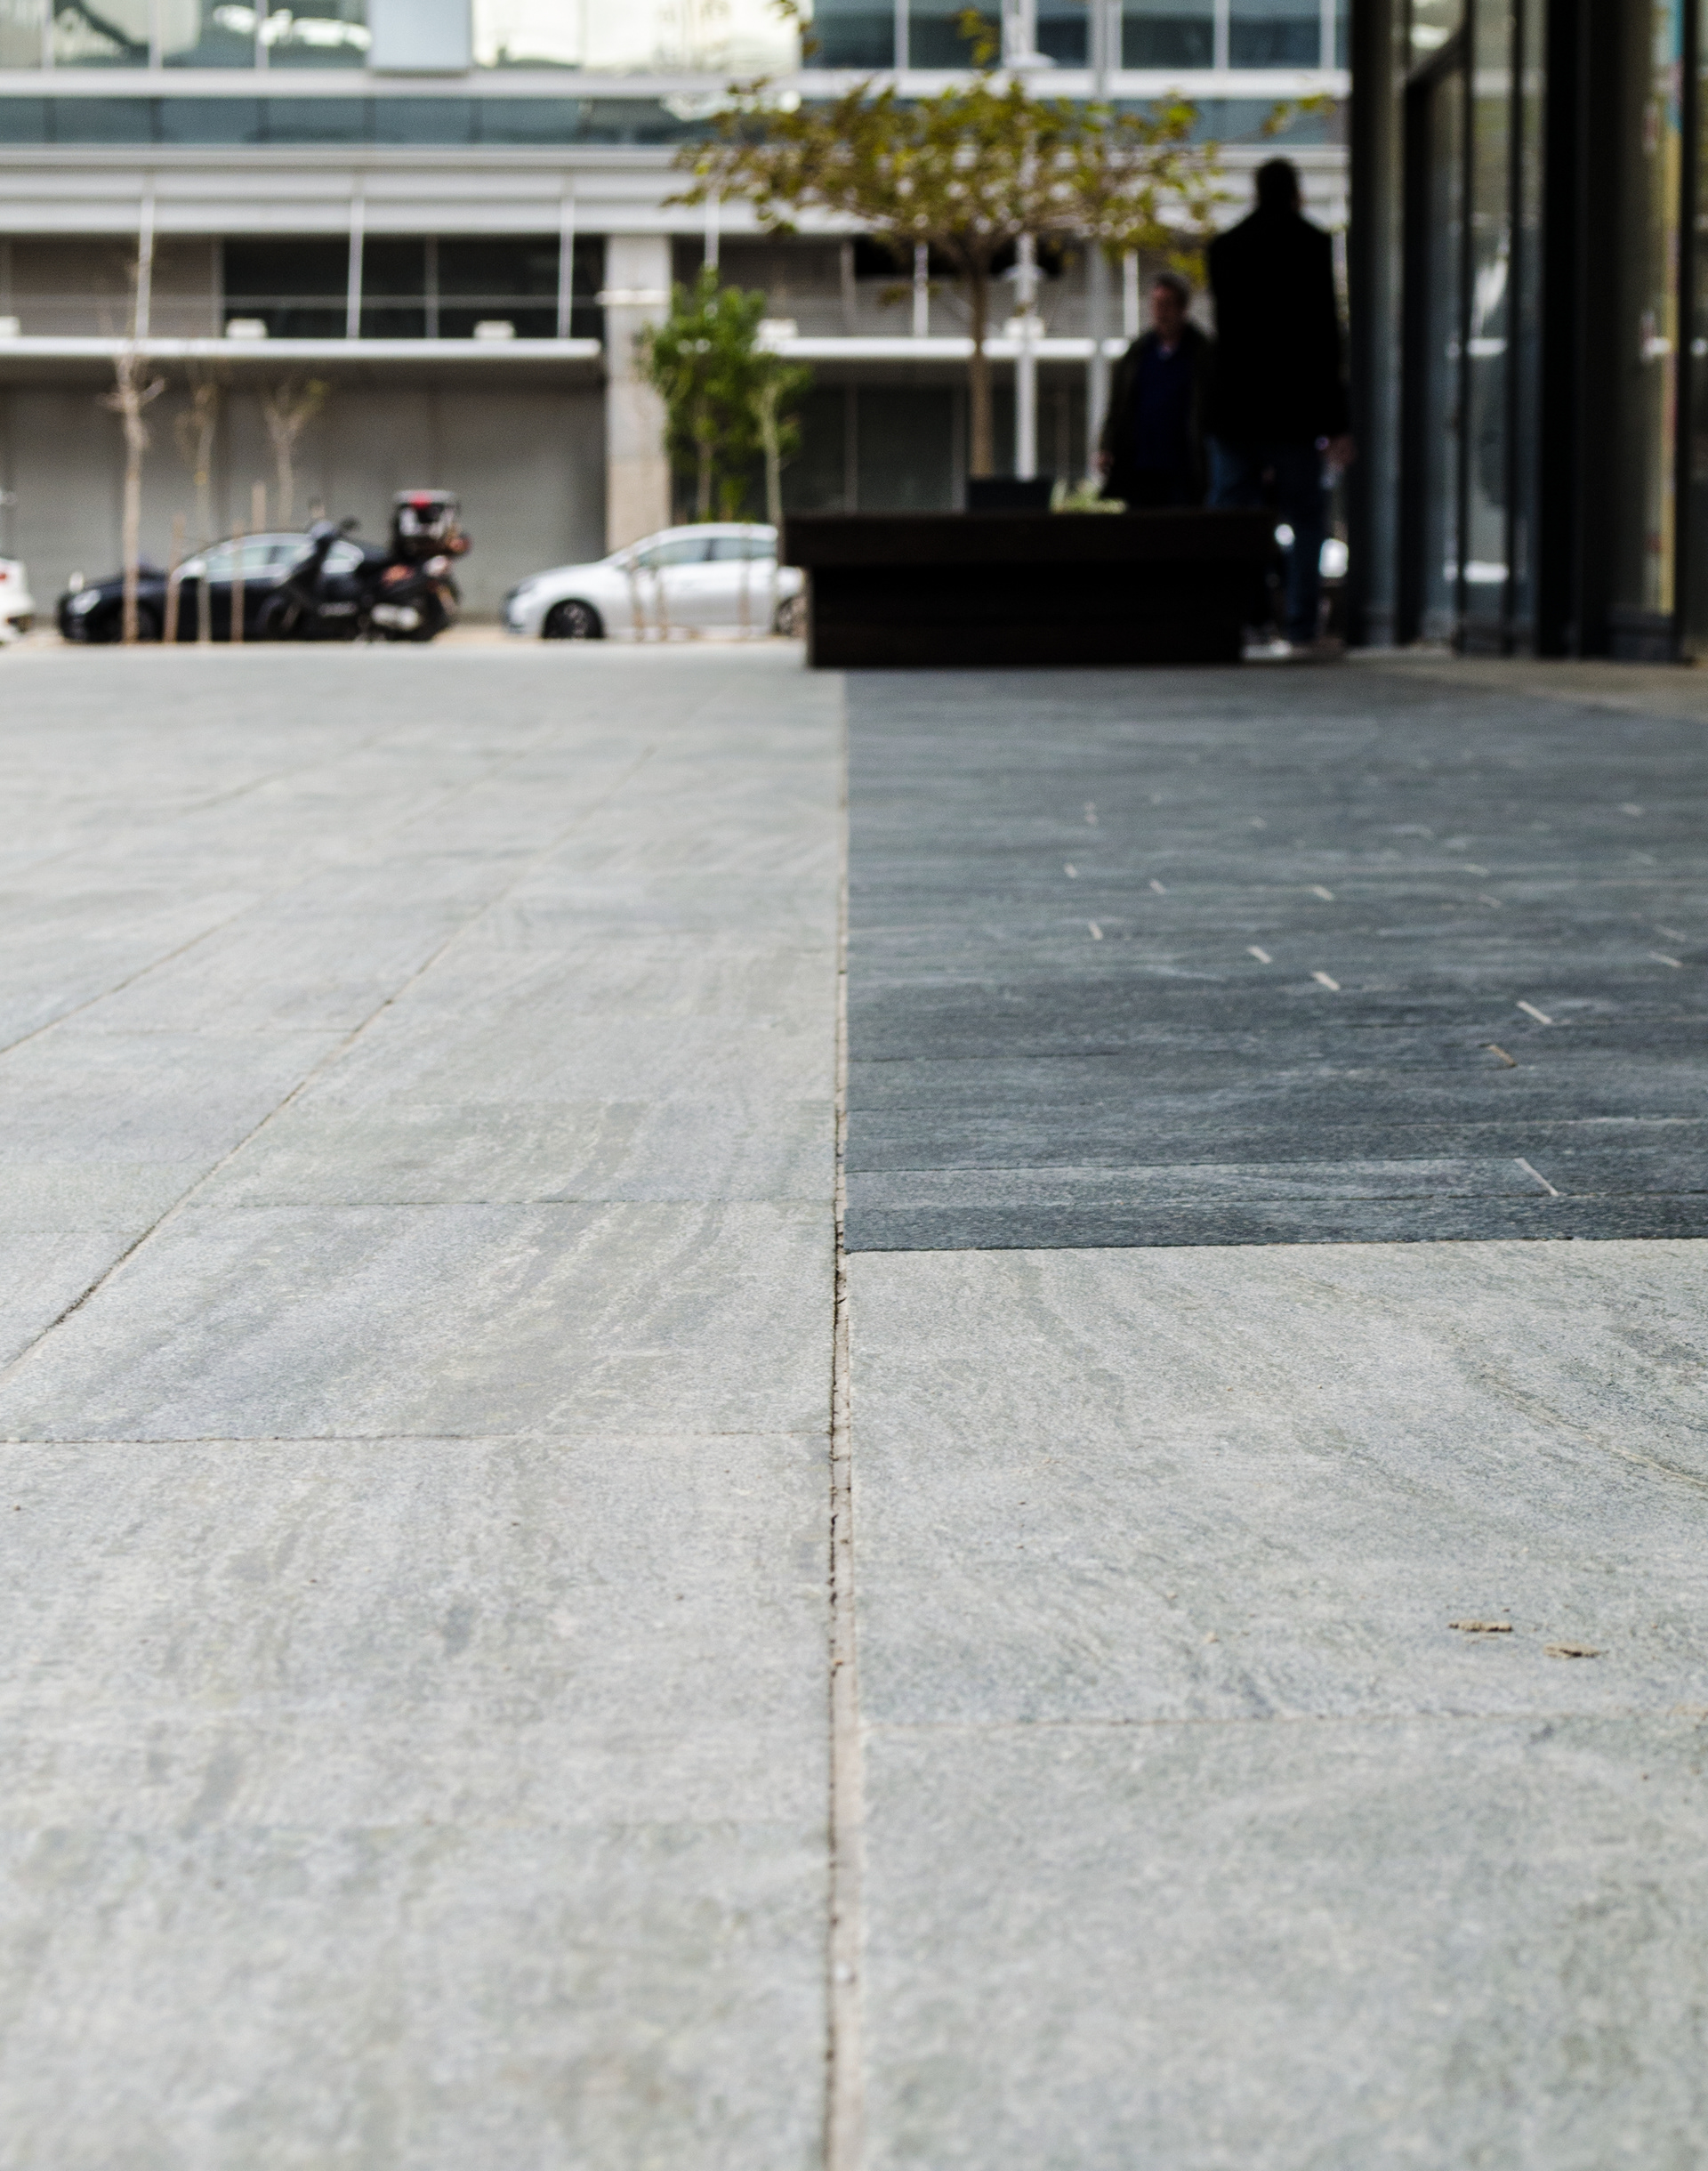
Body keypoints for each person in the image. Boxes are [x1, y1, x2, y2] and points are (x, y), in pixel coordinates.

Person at [1205, 157, 1353, 651]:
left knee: (1232, 518)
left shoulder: (1226, 248)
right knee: (1307, 518)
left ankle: (1237, 617)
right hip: (1294, 412)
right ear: (1295, 192)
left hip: (1237, 410)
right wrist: (1337, 421)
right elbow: (1324, 338)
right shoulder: (1311, 245)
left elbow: (1227, 337)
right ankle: (1301, 624)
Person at [1098, 270, 1212, 507]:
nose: (1161, 312)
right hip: (1141, 467)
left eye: (1167, 305)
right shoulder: (1138, 352)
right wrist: (1107, 446)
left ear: (1182, 308)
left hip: (1184, 469)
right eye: (1156, 305)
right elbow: (1119, 405)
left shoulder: (1202, 353)